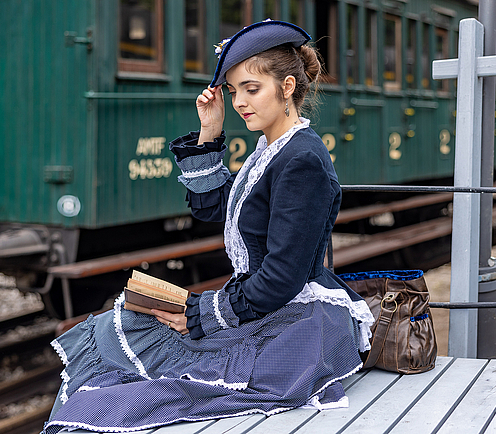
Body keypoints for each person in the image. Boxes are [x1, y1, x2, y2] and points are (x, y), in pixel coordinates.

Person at [43, 20, 374, 434]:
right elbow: (214, 208)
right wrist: (210, 131)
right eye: (234, 91)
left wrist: (200, 314)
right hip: (265, 306)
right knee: (120, 327)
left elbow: (282, 278)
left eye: (251, 89)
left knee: (139, 391)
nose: (239, 102)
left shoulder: (302, 160)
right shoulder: (271, 149)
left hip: (297, 322)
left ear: (287, 87)